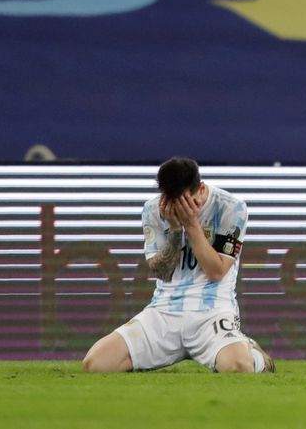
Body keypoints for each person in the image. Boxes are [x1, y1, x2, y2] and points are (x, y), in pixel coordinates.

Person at [82, 157, 274, 373]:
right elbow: (161, 272)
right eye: (172, 202)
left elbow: (216, 271)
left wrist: (191, 224)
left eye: (184, 202)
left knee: (238, 367)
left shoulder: (231, 208)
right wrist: (174, 230)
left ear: (200, 190)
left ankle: (255, 356)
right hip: (163, 312)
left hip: (213, 312)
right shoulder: (154, 209)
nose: (178, 209)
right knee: (96, 364)